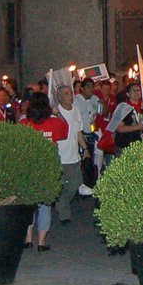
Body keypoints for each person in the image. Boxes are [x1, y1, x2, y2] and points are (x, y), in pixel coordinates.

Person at [22, 92, 69, 252]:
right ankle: (41, 242)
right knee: (45, 205)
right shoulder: (54, 122)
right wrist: (58, 113)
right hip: (48, 168)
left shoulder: (24, 123)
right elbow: (65, 132)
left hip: (29, 168)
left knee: (29, 205)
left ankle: (28, 238)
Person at [51, 82, 91, 226]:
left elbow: (78, 131)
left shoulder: (75, 110)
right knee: (62, 185)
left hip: (74, 155)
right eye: (66, 94)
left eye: (71, 93)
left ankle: (61, 204)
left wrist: (85, 149)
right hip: (61, 155)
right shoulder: (55, 112)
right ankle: (64, 214)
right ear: (59, 97)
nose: (70, 96)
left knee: (75, 184)